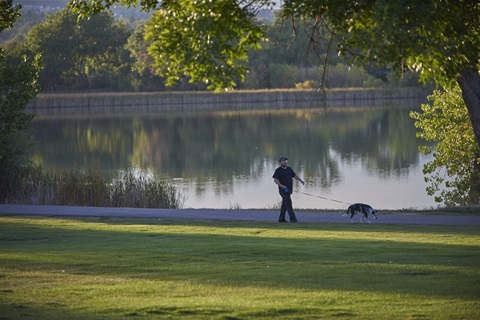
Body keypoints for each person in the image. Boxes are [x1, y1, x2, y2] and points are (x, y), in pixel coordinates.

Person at [272, 156, 305, 222]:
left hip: (289, 189)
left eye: (285, 160)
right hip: (283, 190)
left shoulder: (289, 169)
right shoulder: (278, 170)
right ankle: (293, 219)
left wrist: (300, 180)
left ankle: (281, 219)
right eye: (283, 161)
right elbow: (275, 180)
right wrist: (281, 186)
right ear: (280, 162)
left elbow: (295, 176)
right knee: (288, 203)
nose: (285, 162)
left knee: (284, 204)